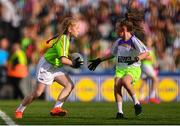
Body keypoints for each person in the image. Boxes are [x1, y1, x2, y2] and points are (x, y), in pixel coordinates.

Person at [15, 17, 82, 119]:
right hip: (47, 66)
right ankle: (19, 110)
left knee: (69, 85)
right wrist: (73, 63)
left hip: (55, 66)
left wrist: (71, 58)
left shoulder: (67, 38)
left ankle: (56, 109)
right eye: (77, 27)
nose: (78, 30)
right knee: (37, 93)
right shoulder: (64, 39)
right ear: (69, 29)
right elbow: (64, 60)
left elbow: (62, 56)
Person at [88, 9, 149, 119]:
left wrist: (136, 59)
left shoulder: (134, 40)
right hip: (120, 69)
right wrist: (99, 60)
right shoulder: (118, 42)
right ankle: (120, 112)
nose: (116, 30)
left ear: (124, 29)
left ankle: (137, 103)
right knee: (116, 85)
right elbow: (112, 54)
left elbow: (146, 53)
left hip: (133, 68)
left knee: (126, 81)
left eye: (117, 28)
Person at [139, 36, 160, 104]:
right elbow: (141, 57)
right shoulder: (144, 49)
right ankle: (152, 97)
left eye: (150, 41)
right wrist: (148, 58)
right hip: (146, 65)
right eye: (148, 41)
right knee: (155, 79)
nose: (149, 42)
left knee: (144, 81)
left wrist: (155, 64)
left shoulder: (151, 49)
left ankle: (141, 98)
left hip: (148, 66)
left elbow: (153, 59)